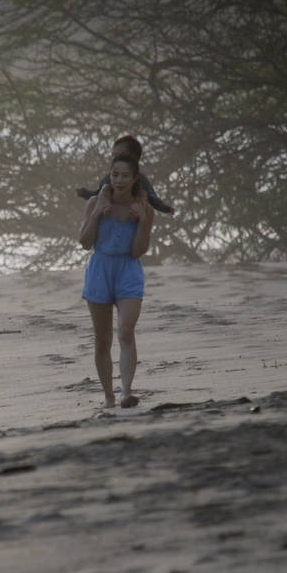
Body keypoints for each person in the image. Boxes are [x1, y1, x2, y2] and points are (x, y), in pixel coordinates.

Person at [79, 153, 155, 409]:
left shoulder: (144, 208)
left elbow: (138, 251)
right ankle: (108, 395)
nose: (119, 180)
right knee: (102, 340)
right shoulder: (95, 202)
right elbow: (85, 243)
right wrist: (96, 214)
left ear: (135, 179)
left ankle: (126, 392)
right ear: (109, 176)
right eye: (115, 175)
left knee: (125, 331)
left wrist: (143, 221)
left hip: (128, 270)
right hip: (100, 269)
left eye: (125, 175)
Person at [77, 135, 174, 215]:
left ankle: (133, 213)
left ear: (134, 159)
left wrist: (165, 208)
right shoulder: (109, 178)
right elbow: (97, 194)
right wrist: (84, 193)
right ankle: (106, 208)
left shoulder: (140, 180)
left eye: (120, 155)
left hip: (130, 215)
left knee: (142, 195)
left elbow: (152, 198)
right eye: (114, 156)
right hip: (111, 213)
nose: (119, 180)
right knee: (105, 189)